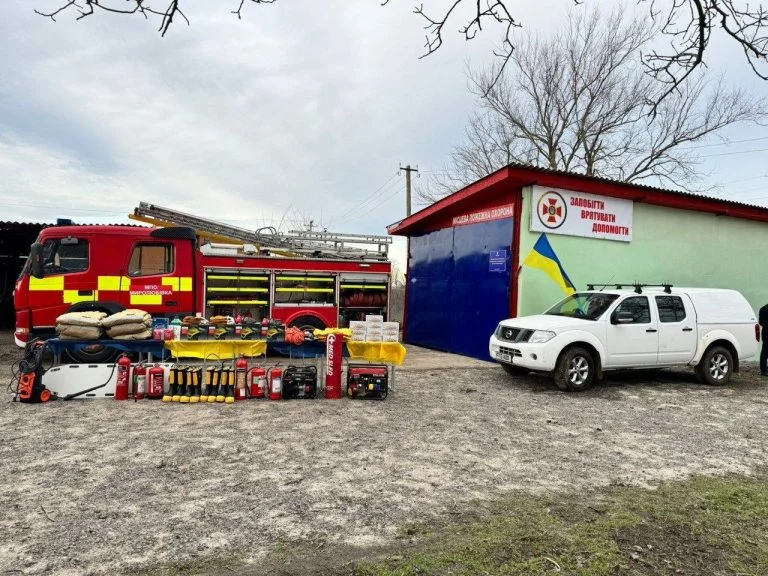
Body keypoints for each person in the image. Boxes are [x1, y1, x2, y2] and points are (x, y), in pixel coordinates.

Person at [761, 303, 768, 377]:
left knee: (764, 352)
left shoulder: (763, 308)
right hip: (766, 334)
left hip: (765, 333)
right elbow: (761, 322)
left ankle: (764, 370)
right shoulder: (764, 309)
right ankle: (764, 370)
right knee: (765, 352)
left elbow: (761, 322)